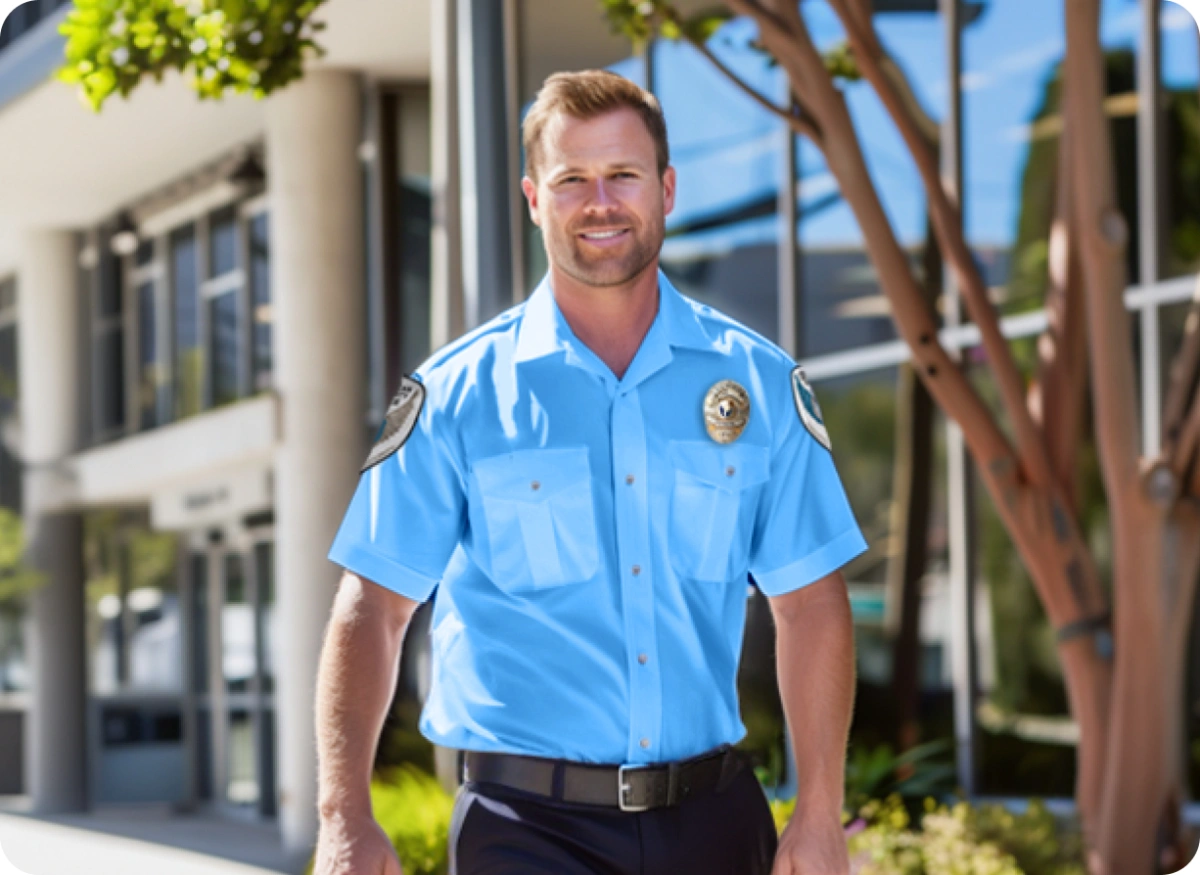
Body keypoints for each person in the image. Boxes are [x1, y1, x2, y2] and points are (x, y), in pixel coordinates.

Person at [313, 69, 867, 875]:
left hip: (714, 824)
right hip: (529, 831)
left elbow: (811, 602)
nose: (600, 202)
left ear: (666, 189)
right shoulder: (458, 395)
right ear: (534, 197)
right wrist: (343, 816)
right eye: (572, 179)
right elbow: (374, 608)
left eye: (623, 175)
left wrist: (818, 811)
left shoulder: (757, 385)